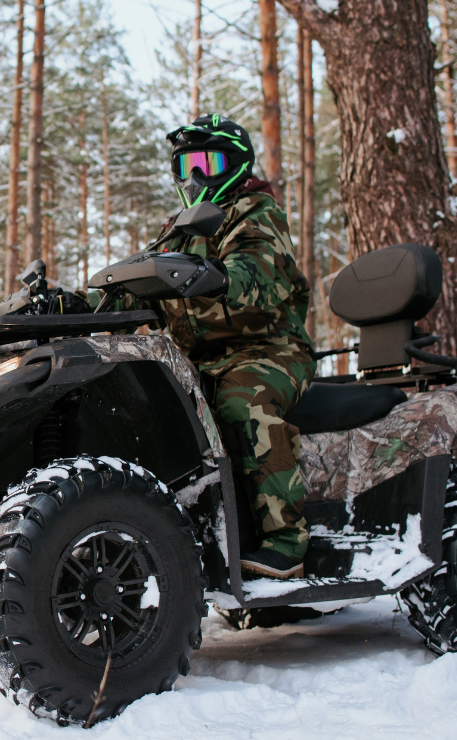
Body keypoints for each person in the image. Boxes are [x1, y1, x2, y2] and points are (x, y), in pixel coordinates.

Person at [157, 113, 315, 579]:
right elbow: (135, 282)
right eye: (187, 166)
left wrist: (206, 275)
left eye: (208, 162)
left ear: (237, 164)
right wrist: (70, 300)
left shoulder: (256, 213)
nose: (197, 176)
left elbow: (254, 277)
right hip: (198, 361)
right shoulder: (179, 230)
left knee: (241, 402)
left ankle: (286, 541)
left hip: (269, 353)